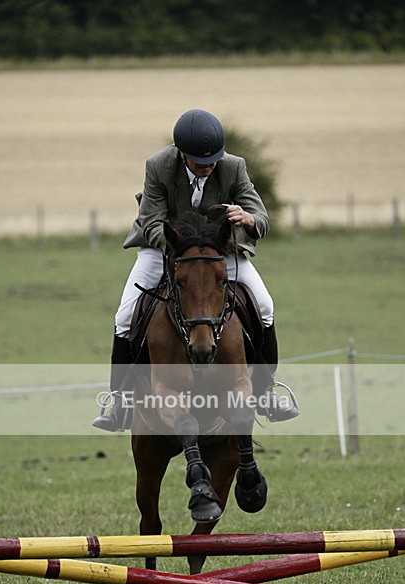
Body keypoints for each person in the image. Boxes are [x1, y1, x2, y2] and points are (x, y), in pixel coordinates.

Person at [93, 108, 297, 432]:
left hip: (219, 251)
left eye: (212, 160)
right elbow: (151, 222)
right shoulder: (159, 166)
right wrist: (181, 250)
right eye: (200, 163)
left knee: (266, 306)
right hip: (164, 248)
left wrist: (249, 219)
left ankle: (268, 390)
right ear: (181, 154)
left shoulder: (233, 167)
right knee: (123, 315)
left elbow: (261, 214)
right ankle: (119, 400)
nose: (208, 167)